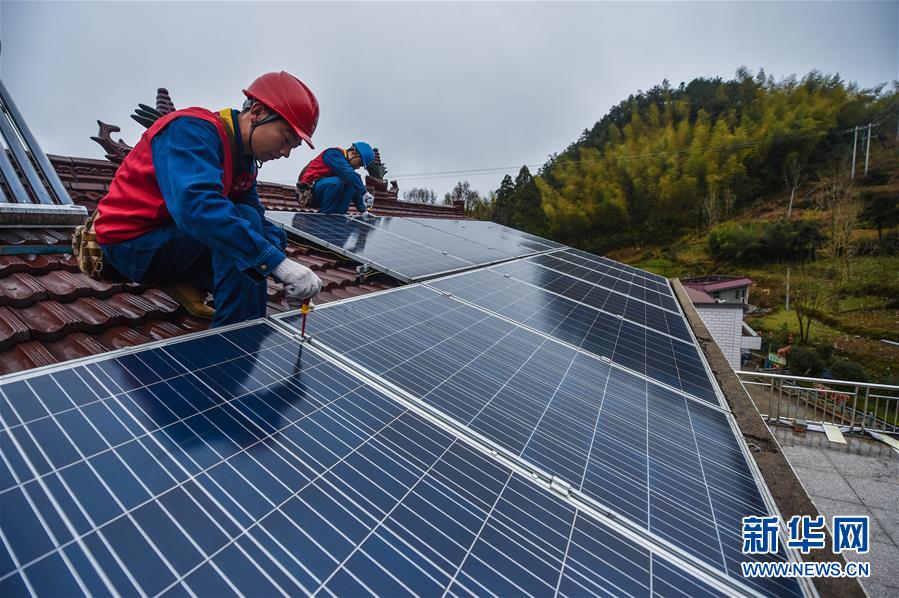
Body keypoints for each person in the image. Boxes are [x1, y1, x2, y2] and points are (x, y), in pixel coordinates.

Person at [92, 71, 323, 327]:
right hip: (131, 244)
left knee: (261, 241)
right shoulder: (191, 129)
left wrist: (286, 274)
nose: (286, 153)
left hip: (176, 240)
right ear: (257, 112)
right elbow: (196, 207)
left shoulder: (244, 162)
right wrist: (278, 264)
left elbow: (257, 220)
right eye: (286, 138)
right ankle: (235, 341)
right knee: (244, 237)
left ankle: (240, 326)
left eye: (294, 147)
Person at [298, 142, 377, 217]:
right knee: (337, 182)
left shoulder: (346, 167)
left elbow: (354, 181)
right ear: (353, 153)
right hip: (310, 192)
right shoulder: (333, 154)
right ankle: (324, 215)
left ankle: (339, 215)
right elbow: (349, 173)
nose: (358, 167)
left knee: (353, 183)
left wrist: (363, 211)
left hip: (327, 193)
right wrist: (364, 193)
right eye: (360, 163)